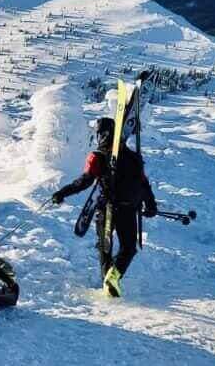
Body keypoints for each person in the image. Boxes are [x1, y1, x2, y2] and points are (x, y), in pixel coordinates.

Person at [50, 117, 158, 297]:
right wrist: (151, 204)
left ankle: (108, 280)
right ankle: (112, 278)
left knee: (104, 247)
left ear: (100, 134)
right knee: (128, 248)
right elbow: (144, 184)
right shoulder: (134, 157)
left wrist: (62, 193)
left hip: (107, 207)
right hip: (127, 209)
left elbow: (85, 181)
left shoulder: (97, 156)